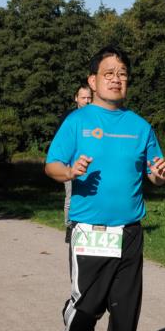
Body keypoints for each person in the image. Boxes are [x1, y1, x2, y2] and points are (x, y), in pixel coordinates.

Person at [44, 45, 165, 331]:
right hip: (90, 231)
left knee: (125, 308)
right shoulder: (78, 122)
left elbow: (155, 173)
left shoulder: (140, 126)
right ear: (93, 80)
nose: (117, 79)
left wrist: (160, 176)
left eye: (122, 74)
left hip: (129, 230)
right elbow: (51, 165)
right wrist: (69, 172)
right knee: (87, 305)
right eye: (109, 73)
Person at [63, 84, 93, 229]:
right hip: (71, 164)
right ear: (76, 98)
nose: (87, 101)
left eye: (89, 98)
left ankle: (90, 225)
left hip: (92, 163)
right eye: (83, 98)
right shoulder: (68, 118)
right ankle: (70, 226)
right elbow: (61, 145)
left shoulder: (97, 117)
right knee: (71, 196)